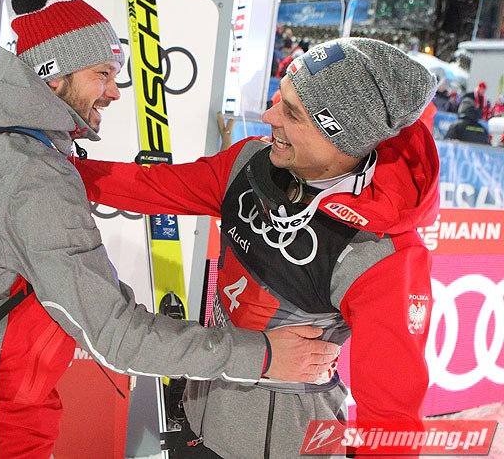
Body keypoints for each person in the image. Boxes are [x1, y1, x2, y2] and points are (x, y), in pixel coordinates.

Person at [0, 0, 339, 459]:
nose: (115, 92)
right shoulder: (32, 174)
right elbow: (115, 335)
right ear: (52, 74)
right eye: (103, 73)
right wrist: (264, 356)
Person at [74, 37, 440, 457]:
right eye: (279, 99)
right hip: (198, 416)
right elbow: (148, 186)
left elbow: (392, 419)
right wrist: (58, 169)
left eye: (292, 113)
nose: (269, 117)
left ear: (341, 138)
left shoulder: (383, 254)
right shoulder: (250, 163)